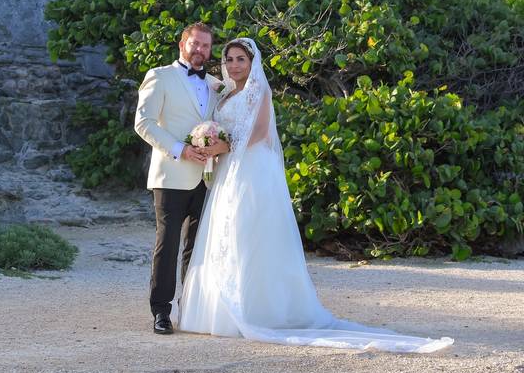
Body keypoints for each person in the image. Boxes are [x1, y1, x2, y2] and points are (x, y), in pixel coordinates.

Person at [175, 37, 453, 352]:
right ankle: (217, 310)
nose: (234, 65)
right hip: (227, 169)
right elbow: (222, 126)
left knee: (248, 232)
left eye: (241, 59)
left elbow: (261, 132)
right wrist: (211, 142)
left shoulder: (259, 91)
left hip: (251, 168)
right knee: (223, 232)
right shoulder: (223, 95)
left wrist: (226, 145)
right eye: (229, 60)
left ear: (252, 63)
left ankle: (256, 308)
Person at [134, 22, 230, 335]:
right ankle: (161, 312)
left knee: (198, 247)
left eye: (206, 45)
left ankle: (191, 308)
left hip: (207, 177)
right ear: (182, 44)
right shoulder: (159, 76)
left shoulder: (217, 85)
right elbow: (144, 123)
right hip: (170, 176)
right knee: (168, 245)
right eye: (196, 44)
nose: (200, 50)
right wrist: (181, 150)